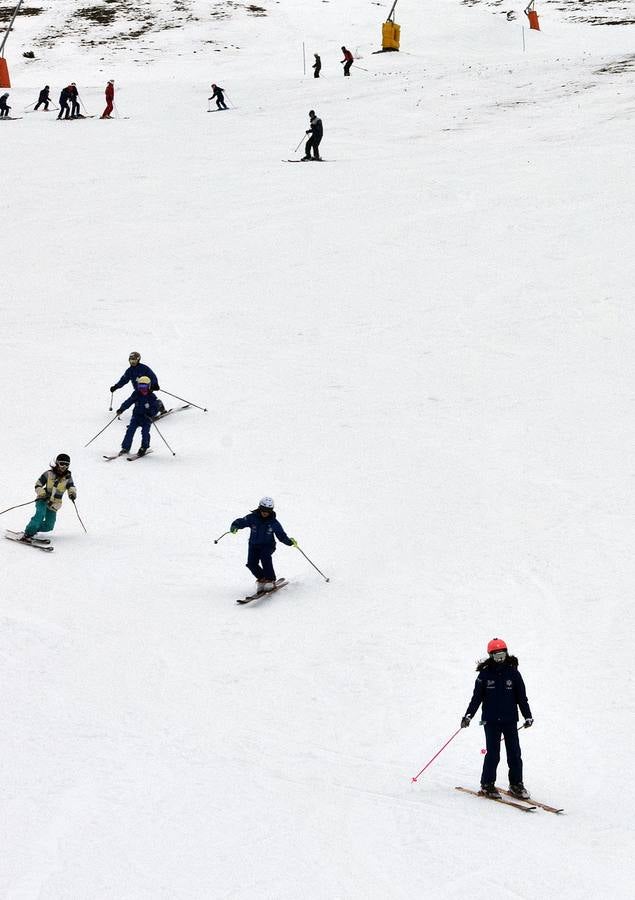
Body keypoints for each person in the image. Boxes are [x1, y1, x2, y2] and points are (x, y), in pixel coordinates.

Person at [461, 638, 534, 800]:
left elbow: (522, 698)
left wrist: (527, 716)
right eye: (497, 656)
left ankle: (516, 785)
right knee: (493, 753)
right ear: (491, 656)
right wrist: (468, 716)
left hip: (510, 720)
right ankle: (487, 784)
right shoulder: (485, 675)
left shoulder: (513, 673)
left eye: (502, 655)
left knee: (514, 753)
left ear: (506, 654)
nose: (500, 659)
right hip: (491, 721)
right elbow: (476, 698)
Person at [230, 497, 296, 593]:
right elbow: (241, 522)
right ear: (259, 508)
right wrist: (235, 526)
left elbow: (281, 535)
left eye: (268, 510)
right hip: (253, 545)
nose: (265, 512)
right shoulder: (252, 518)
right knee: (251, 564)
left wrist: (289, 542)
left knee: (265, 557)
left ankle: (270, 580)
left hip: (268, 545)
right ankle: (262, 579)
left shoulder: (273, 523)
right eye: (263, 510)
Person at [18, 453, 77, 542]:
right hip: (43, 499)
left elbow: (71, 487)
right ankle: (28, 533)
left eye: (66, 464)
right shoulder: (48, 474)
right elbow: (38, 484)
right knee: (40, 515)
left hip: (54, 504)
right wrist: (42, 494)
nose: (64, 466)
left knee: (49, 526)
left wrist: (72, 493)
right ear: (57, 463)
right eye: (61, 463)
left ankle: (34, 530)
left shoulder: (68, 478)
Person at [115, 376, 160, 457]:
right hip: (136, 416)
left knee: (145, 432)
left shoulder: (152, 397)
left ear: (149, 386)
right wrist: (121, 409)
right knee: (130, 431)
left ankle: (144, 447)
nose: (142, 389)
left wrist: (151, 413)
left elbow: (155, 407)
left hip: (146, 418)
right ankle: (125, 448)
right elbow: (128, 402)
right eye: (140, 386)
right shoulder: (136, 394)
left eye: (144, 387)